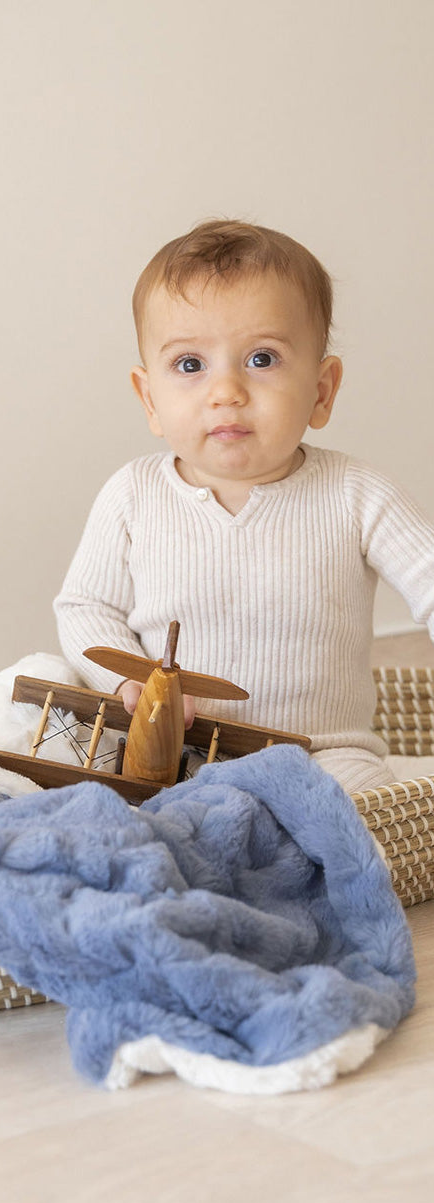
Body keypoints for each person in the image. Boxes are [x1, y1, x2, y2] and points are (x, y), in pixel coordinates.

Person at [53, 219, 434, 792]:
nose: (226, 390)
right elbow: (85, 606)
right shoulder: (133, 495)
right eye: (190, 365)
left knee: (364, 819)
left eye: (262, 359)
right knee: (108, 799)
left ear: (321, 391)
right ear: (149, 399)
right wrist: (127, 679)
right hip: (173, 749)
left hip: (322, 753)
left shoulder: (358, 494)